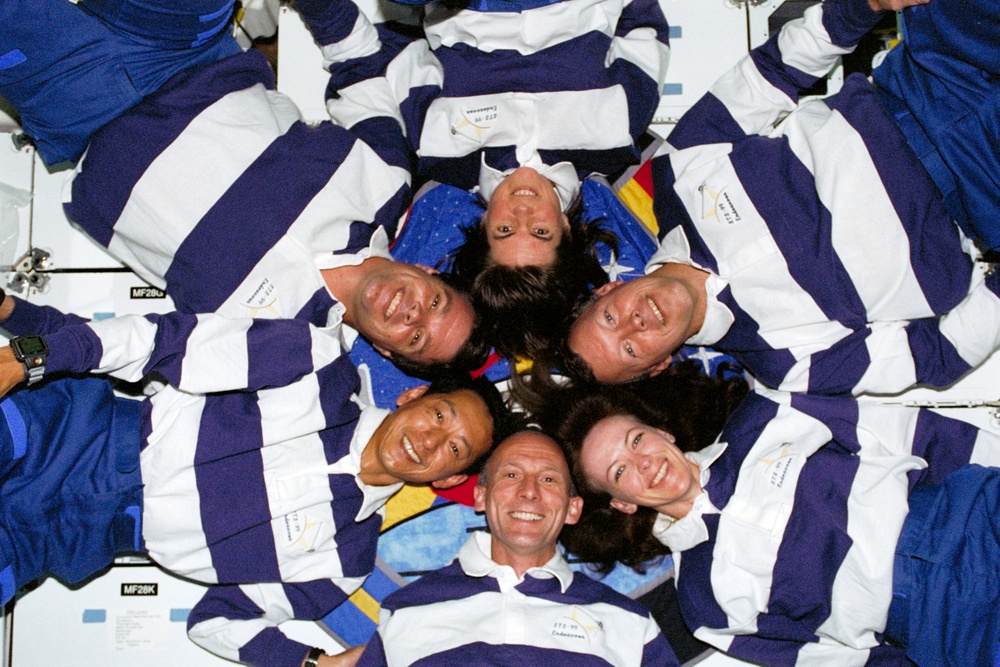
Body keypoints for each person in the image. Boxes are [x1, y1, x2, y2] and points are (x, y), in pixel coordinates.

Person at [0, 303, 517, 667]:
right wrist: (29, 355)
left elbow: (214, 623)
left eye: (454, 449)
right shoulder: (317, 365)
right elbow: (160, 341)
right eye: (440, 415)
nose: (430, 441)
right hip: (63, 433)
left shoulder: (344, 562)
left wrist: (311, 662)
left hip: (63, 540)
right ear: (414, 396)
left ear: (448, 478)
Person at [0, 0, 485, 373]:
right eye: (435, 303)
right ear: (426, 270)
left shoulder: (274, 343)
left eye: (415, 338)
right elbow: (358, 59)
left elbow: (146, 345)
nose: (412, 314)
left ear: (384, 349)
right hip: (188, 50)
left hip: (83, 111)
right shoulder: (385, 178)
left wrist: (14, 317)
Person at [565, 0, 1000, 393]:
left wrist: (865, 6)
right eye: (630, 350)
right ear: (659, 365)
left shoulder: (675, 172)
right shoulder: (786, 366)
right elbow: (937, 355)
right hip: (984, 196)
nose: (634, 325)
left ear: (609, 289)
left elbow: (768, 74)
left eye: (610, 319)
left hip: (930, 74)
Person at [292, 0, 668, 359]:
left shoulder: (435, 149)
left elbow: (393, 54)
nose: (523, 210)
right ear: (567, 230)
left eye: (505, 230)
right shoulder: (616, 134)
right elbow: (642, 26)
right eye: (540, 232)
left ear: (484, 223)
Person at [548, 383, 1000, 665]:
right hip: (944, 625)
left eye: (637, 440)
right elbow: (831, 662)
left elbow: (915, 432)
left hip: (971, 513)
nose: (643, 464)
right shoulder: (705, 605)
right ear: (623, 504)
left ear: (662, 432)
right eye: (620, 472)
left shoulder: (765, 418)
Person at [354, 430, 680, 666]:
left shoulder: (631, 623)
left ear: (572, 508)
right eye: (511, 474)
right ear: (480, 496)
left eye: (549, 480)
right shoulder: (406, 610)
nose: (529, 492)